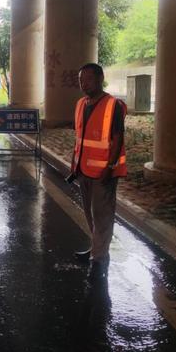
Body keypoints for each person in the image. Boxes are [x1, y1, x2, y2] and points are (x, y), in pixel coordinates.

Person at [68, 63, 127, 280]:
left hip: (104, 172)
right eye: (81, 80)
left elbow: (118, 138)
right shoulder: (80, 104)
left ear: (100, 78)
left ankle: (100, 257)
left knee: (102, 215)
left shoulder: (114, 105)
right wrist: (74, 164)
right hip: (83, 169)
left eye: (89, 79)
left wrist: (110, 167)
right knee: (90, 213)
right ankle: (96, 249)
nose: (84, 84)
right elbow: (81, 138)